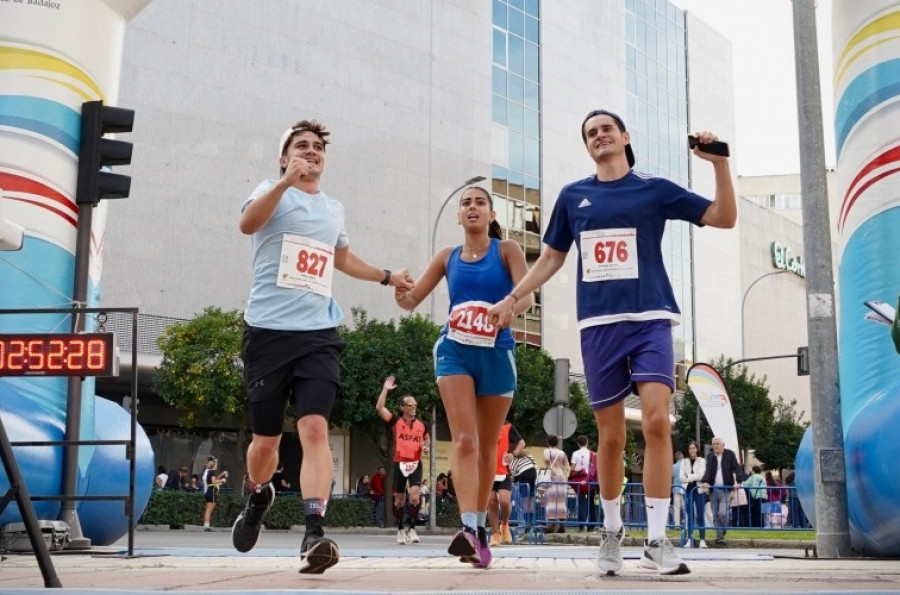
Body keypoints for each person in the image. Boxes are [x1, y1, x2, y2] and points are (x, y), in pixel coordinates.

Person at [486, 109, 735, 576]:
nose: (599, 135)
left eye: (606, 129)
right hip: (599, 326)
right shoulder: (573, 196)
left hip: (650, 319)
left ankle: (656, 541)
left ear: (624, 136)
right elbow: (551, 259)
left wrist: (719, 164)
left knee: (658, 422)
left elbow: (724, 217)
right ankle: (612, 530)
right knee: (612, 436)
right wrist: (512, 299)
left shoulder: (654, 189)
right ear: (587, 146)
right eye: (591, 133)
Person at [233, 119, 414, 574]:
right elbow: (247, 223)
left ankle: (313, 533)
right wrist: (284, 183)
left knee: (315, 428)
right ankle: (259, 495)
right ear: (284, 157)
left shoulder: (333, 208)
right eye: (301, 146)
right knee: (265, 443)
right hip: (268, 332)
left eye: (317, 147)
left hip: (318, 334)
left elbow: (341, 258)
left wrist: (387, 276)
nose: (311, 151)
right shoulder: (269, 191)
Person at [393, 185, 531, 569]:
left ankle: (481, 531)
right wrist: (400, 292)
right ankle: (469, 527)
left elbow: (527, 296)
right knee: (465, 440)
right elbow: (412, 299)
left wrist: (510, 306)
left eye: (480, 202)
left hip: (497, 354)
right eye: (466, 203)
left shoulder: (507, 251)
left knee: (487, 448)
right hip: (454, 351)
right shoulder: (447, 257)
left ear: (491, 214)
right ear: (458, 215)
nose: (472, 207)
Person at [375, 376, 430, 545]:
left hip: (415, 463)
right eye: (409, 405)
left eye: (415, 405)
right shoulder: (396, 422)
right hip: (399, 463)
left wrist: (426, 446)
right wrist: (385, 389)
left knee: (414, 497)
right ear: (402, 407)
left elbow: (426, 439)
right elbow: (380, 408)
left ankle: (412, 528)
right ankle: (400, 529)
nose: (413, 408)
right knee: (399, 500)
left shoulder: (422, 425)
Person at [700, 437, 743, 546]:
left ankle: (723, 530)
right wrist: (705, 481)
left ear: (723, 445)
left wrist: (738, 481)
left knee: (723, 513)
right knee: (715, 515)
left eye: (717, 444)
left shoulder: (730, 454)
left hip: (725, 489)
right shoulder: (710, 456)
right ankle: (720, 538)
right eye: (714, 444)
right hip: (713, 490)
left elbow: (737, 468)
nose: (715, 446)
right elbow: (708, 470)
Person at [488, 420, 525, 546]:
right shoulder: (485, 424)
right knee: (491, 502)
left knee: (504, 501)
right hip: (488, 471)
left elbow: (521, 442)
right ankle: (495, 534)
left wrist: (513, 454)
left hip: (504, 471)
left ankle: (504, 525)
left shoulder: (508, 427)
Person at [679, 441, 708, 548]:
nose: (692, 450)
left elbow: (701, 476)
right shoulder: (684, 461)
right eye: (690, 448)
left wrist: (689, 476)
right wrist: (693, 476)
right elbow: (681, 477)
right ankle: (690, 539)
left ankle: (702, 540)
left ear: (697, 449)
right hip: (687, 490)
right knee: (689, 515)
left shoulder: (702, 460)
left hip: (699, 490)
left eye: (694, 448)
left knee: (700, 515)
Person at [542, 434, 570, 534]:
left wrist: (550, 467)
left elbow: (546, 460)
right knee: (561, 501)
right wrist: (565, 475)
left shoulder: (547, 451)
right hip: (561, 477)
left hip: (552, 476)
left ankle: (551, 526)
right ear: (557, 443)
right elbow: (567, 465)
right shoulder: (562, 453)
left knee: (551, 501)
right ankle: (562, 525)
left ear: (548, 442)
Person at [569, 435, 596, 531]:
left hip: (579, 481)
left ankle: (581, 526)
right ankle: (591, 526)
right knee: (591, 503)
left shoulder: (575, 454)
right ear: (587, 442)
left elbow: (573, 468)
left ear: (578, 444)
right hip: (590, 480)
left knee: (581, 503)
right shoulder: (592, 454)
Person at [201, 456, 228, 531]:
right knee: (209, 510)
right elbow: (214, 482)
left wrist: (221, 478)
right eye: (214, 462)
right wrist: (222, 480)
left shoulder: (208, 472)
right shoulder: (212, 472)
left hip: (209, 491)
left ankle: (206, 525)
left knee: (208, 509)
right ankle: (206, 526)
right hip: (212, 491)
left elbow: (213, 482)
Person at [671, 451, 685, 527]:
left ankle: (677, 525)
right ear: (681, 456)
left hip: (676, 488)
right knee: (684, 507)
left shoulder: (673, 466)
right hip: (683, 488)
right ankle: (685, 524)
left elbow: (672, 477)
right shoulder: (685, 466)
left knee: (676, 508)